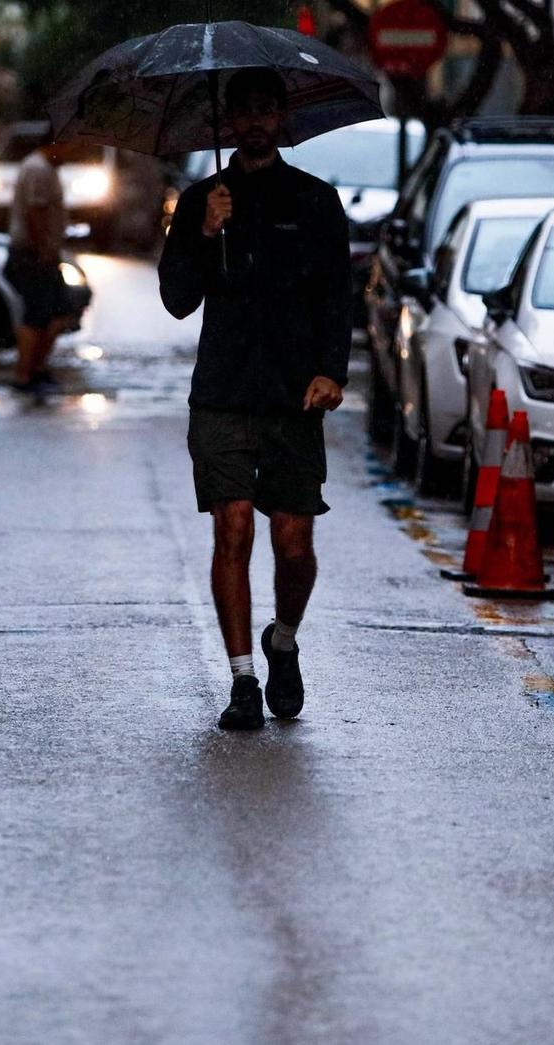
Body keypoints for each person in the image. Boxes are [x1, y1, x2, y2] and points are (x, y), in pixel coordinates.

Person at [158, 68, 351, 730]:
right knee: (232, 524)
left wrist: (333, 371)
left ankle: (283, 641)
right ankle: (242, 679)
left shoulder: (317, 202)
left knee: (294, 542)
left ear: (282, 116)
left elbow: (336, 296)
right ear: (227, 122)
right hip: (223, 393)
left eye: (266, 109)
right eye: (243, 111)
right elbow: (177, 299)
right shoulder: (200, 200)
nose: (255, 120)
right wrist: (205, 234)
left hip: (295, 398)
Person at [5, 139, 70, 390]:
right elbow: (36, 211)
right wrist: (42, 247)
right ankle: (25, 374)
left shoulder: (44, 168)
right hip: (33, 254)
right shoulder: (39, 169)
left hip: (41, 253)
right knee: (37, 315)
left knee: (57, 313)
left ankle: (36, 369)